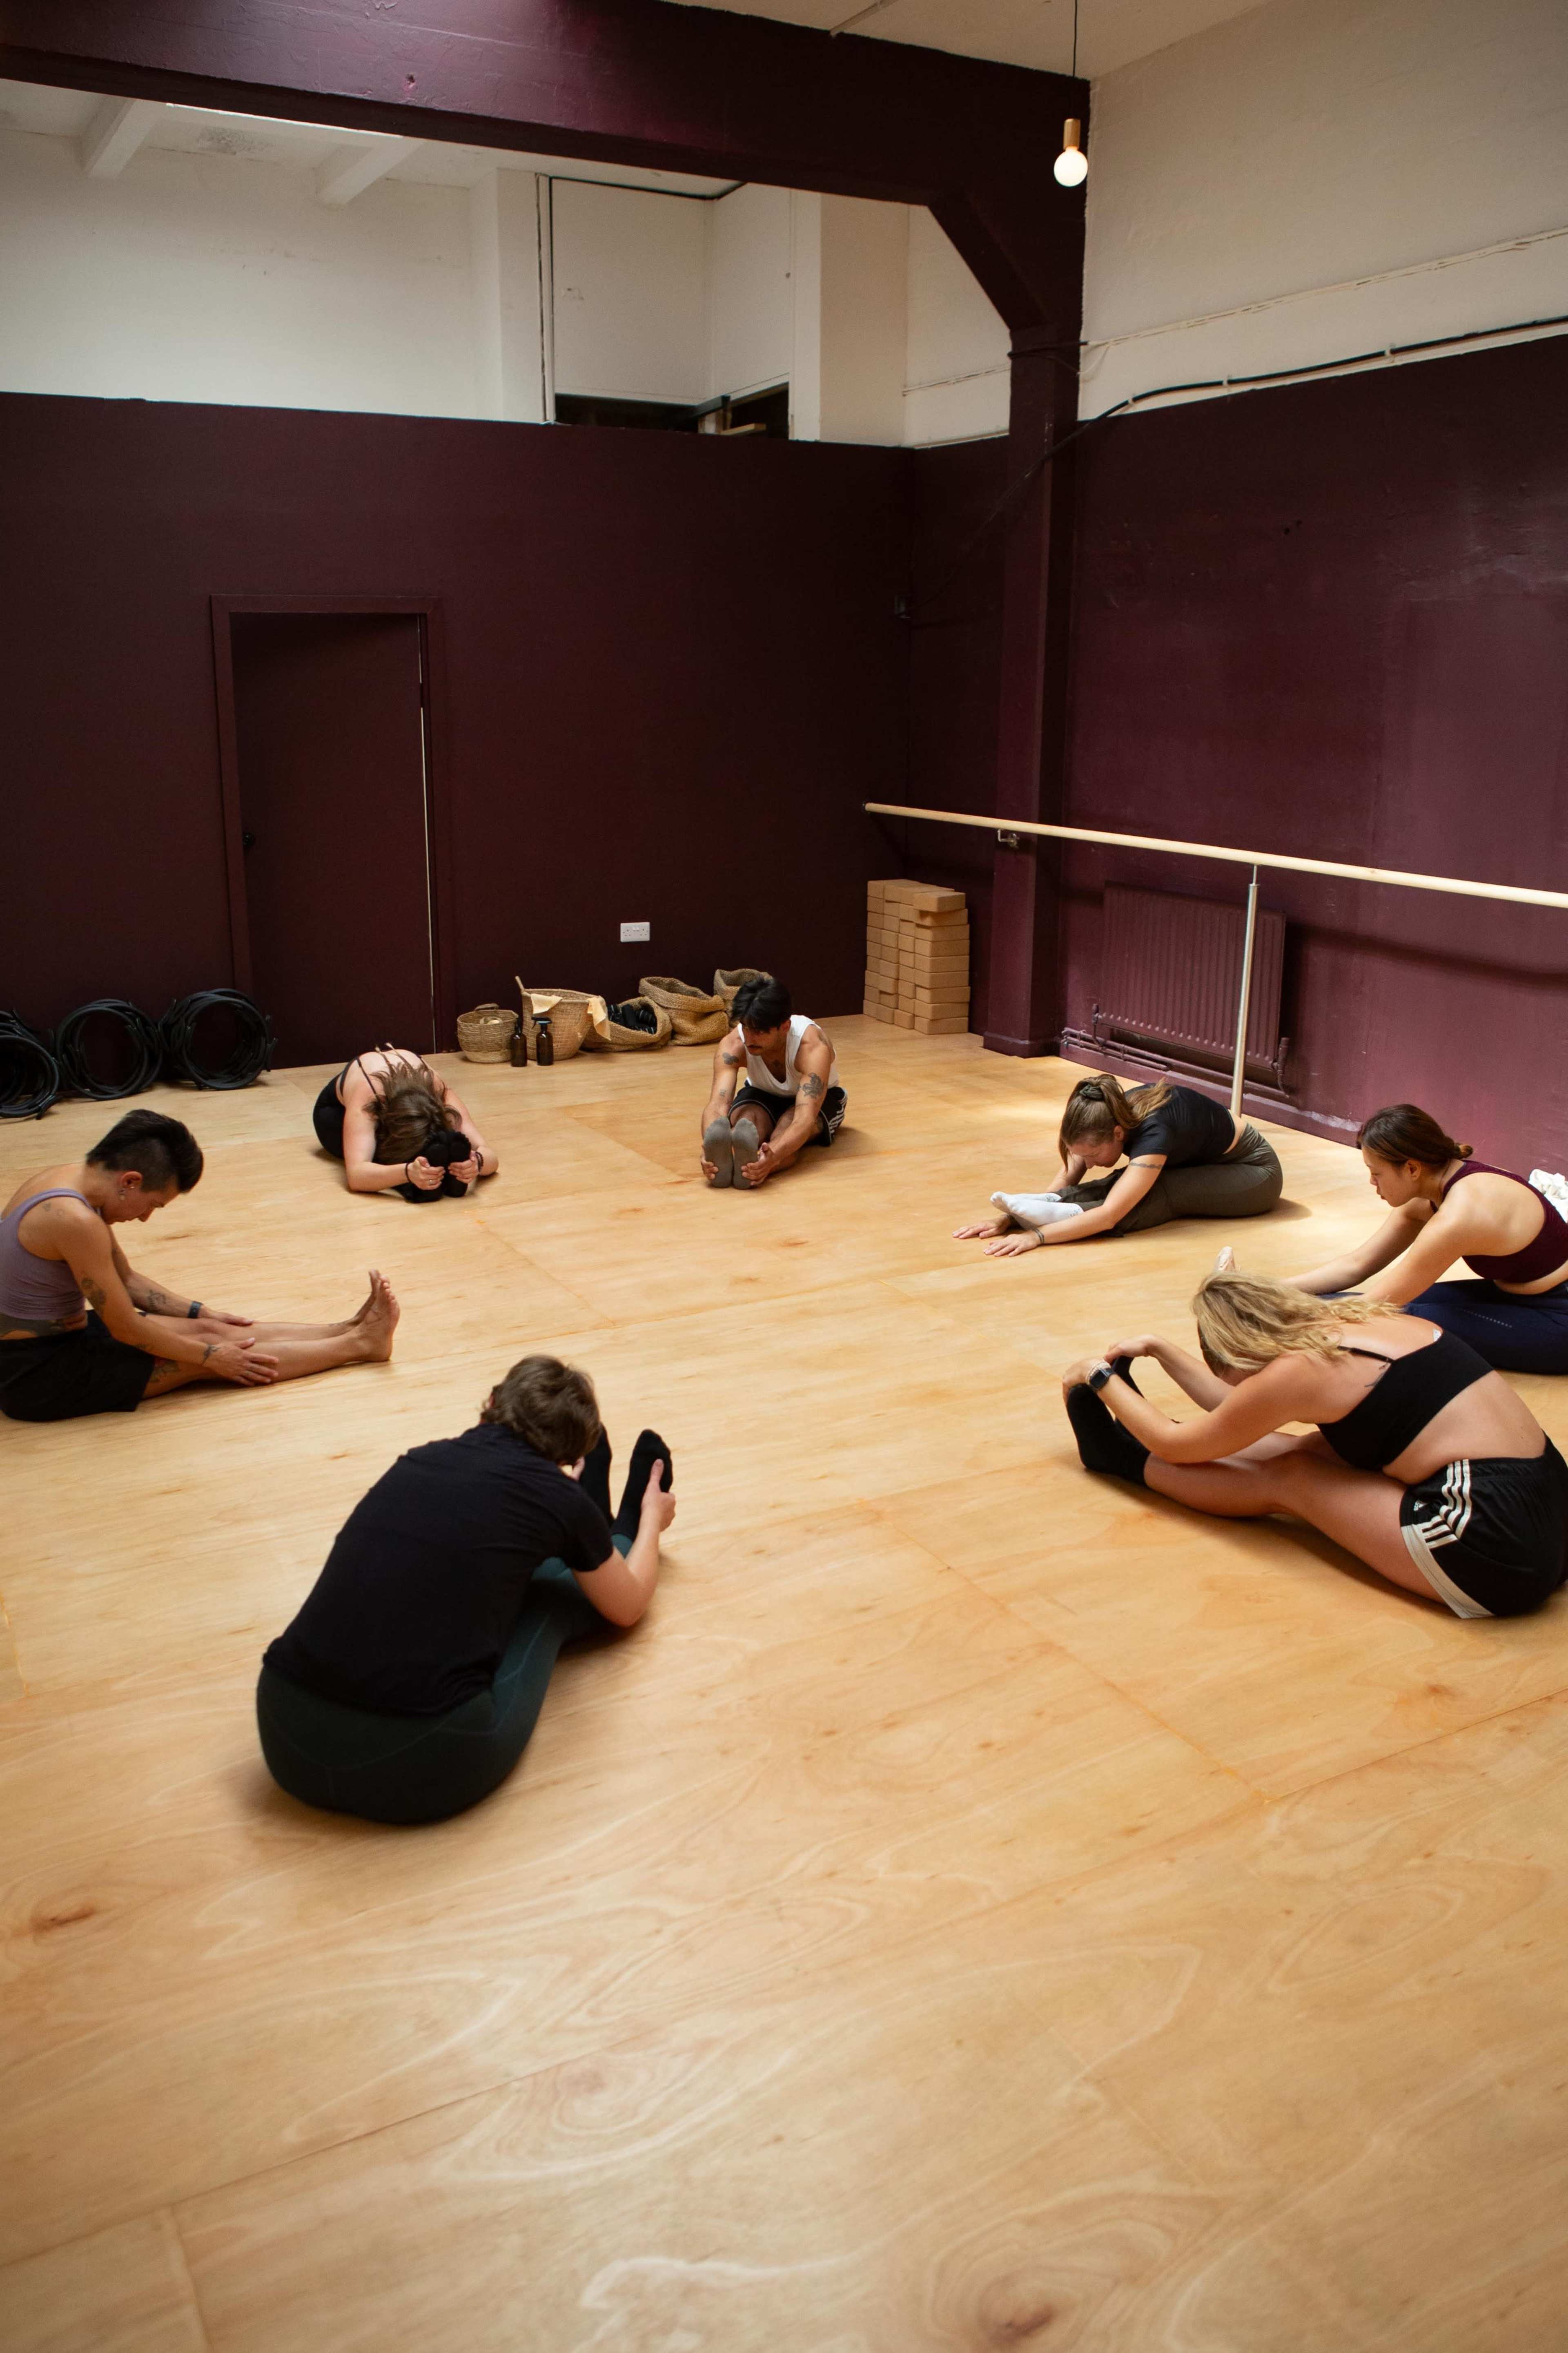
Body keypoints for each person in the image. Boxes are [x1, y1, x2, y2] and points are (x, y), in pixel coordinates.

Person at [256, 1355, 676, 1823]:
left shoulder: (418, 1460)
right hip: (422, 1755)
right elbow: (629, 1607)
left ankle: (592, 1528)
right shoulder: (553, 1496)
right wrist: (654, 1521)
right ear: (568, 1456)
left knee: (481, 1566)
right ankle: (626, 1528)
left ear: (492, 1402)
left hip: (284, 1733)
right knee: (547, 1597)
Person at [1062, 1269, 1567, 1620]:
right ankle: (1134, 1435)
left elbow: (1182, 1443)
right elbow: (1246, 1413)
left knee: (1294, 1478)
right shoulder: (1360, 1322)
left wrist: (1100, 1377)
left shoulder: (1298, 1371)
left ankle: (1120, 1456)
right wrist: (1161, 1349)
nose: (1246, 1389)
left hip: (1490, 1543)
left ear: (1243, 1350)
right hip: (1550, 1515)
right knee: (1308, 1449)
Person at [0, 1108, 398, 1423]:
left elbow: (128, 1280)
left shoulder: (68, 1181)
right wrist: (210, 1357)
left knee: (215, 1330)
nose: (145, 1218)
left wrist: (202, 1313)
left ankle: (347, 1327)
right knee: (211, 1358)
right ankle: (361, 1344)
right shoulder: (76, 1220)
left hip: (63, 1339)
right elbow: (126, 1327)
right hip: (35, 1375)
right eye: (154, 1205)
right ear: (132, 1181)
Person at [1289, 1103, 1568, 1374]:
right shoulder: (1430, 1193)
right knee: (1400, 1304)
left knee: (1401, 1316)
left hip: (1559, 1318)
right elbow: (1357, 1264)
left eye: (1376, 1173)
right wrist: (1272, 1289)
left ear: (1412, 1169)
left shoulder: (1460, 1216)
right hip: (1515, 1297)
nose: (1372, 1183)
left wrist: (1269, 1310)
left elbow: (1375, 1305)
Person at [956, 1073, 1282, 1258]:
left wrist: (1038, 1237)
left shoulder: (1155, 1131)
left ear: (1117, 1133)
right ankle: (1064, 1213)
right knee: (1124, 1181)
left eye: (1094, 1156)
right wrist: (1014, 1217)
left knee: (1157, 1191)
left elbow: (1112, 1213)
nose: (1091, 1164)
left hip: (1254, 1173)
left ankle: (1070, 1218)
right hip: (1203, 1162)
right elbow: (1070, 1175)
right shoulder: (1105, 1112)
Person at [699, 977, 846, 1188]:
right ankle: (738, 1162)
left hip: (817, 1100)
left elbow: (803, 1119)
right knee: (746, 1123)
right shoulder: (734, 1044)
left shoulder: (812, 1047)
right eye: (745, 1028)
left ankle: (754, 1167)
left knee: (786, 1127)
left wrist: (774, 1156)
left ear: (785, 1026)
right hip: (763, 1092)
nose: (749, 1039)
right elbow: (717, 1105)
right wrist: (709, 1148)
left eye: (759, 1032)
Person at [312, 1046, 498, 1201]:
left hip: (406, 1103)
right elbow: (356, 1175)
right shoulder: (369, 1096)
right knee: (373, 1152)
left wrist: (477, 1163)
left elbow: (490, 1156)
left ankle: (429, 1165)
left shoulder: (437, 1087)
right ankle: (408, 1175)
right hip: (334, 1114)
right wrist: (407, 1172)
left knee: (444, 1141)